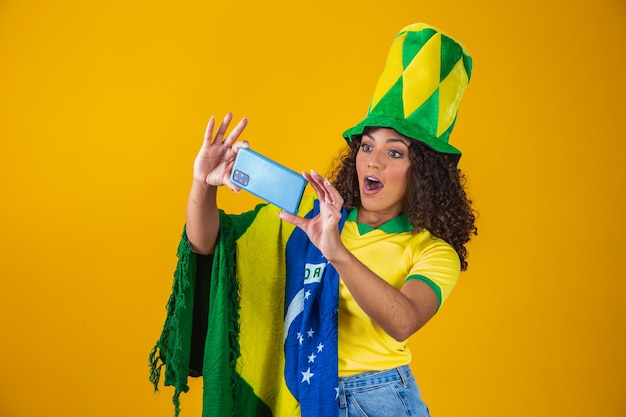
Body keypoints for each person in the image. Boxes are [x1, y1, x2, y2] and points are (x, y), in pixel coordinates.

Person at [150, 23, 477, 417]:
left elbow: (403, 320)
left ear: (422, 171)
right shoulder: (313, 221)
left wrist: (336, 251)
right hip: (307, 394)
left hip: (381, 398)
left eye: (395, 153)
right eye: (367, 146)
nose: (372, 160)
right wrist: (202, 185)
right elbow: (207, 246)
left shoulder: (432, 252)